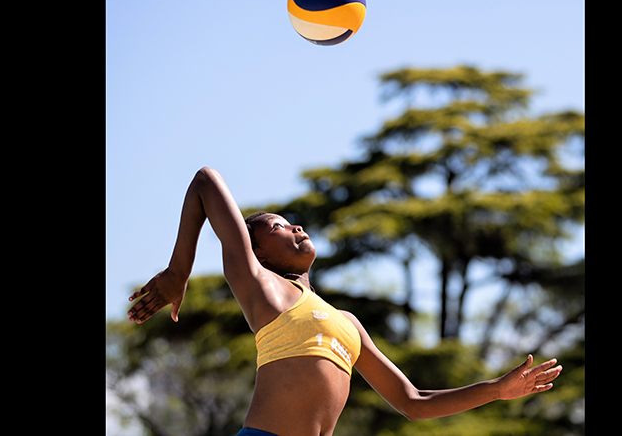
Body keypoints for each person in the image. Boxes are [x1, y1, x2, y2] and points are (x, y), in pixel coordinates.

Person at [127, 167, 562, 436]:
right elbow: (205, 181)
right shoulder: (259, 284)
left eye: (292, 222)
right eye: (279, 226)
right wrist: (177, 271)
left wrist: (497, 390)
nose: (295, 226)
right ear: (256, 252)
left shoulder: (348, 323)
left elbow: (412, 402)